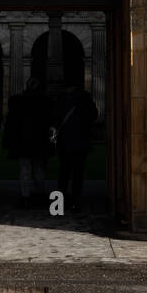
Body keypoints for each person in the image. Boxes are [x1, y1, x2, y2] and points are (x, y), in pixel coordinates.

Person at [2, 77, 52, 209]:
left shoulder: (18, 102)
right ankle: (39, 195)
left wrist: (9, 142)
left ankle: (26, 197)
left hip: (23, 142)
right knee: (39, 170)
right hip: (39, 142)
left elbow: (10, 124)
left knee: (25, 170)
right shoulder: (45, 102)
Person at [53, 83, 98, 215]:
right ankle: (75, 203)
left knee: (64, 172)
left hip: (65, 141)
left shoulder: (61, 99)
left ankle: (59, 205)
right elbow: (94, 115)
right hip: (81, 140)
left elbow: (55, 117)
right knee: (78, 174)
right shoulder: (86, 98)